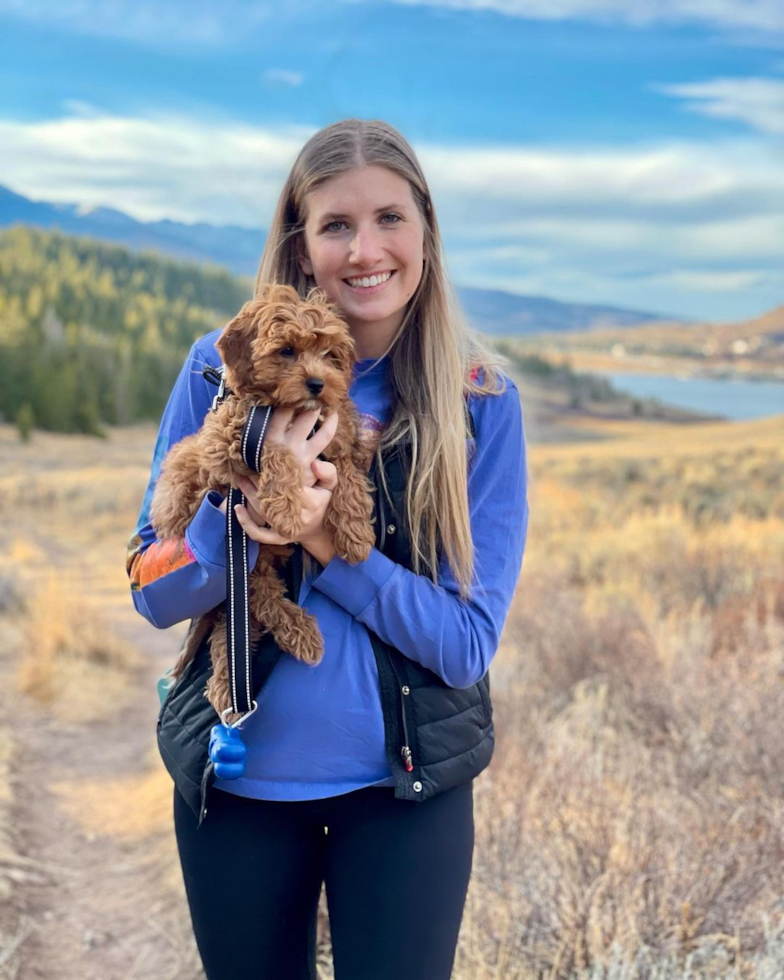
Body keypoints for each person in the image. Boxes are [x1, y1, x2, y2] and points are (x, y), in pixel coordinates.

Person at [126, 118, 529, 980]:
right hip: (235, 788)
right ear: (302, 248)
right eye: (336, 225)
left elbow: (465, 645)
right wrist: (237, 525)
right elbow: (150, 588)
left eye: (390, 218)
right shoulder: (217, 370)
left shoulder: (480, 400)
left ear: (425, 232)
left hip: (405, 795)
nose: (365, 249)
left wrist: (320, 537)